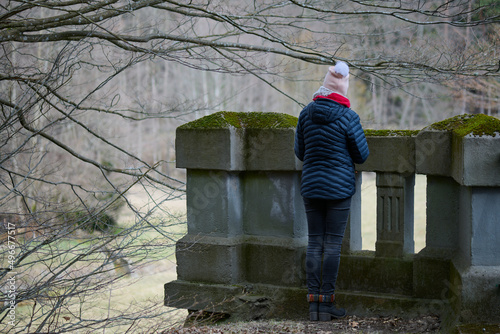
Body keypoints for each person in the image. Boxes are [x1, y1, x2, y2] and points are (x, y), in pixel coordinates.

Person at [294, 61, 369, 321]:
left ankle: (314, 304)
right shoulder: (348, 116)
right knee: (333, 245)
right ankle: (327, 303)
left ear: (325, 86)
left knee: (315, 242)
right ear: (343, 88)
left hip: (312, 186)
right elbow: (362, 155)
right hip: (339, 189)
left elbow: (300, 152)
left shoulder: (306, 113)